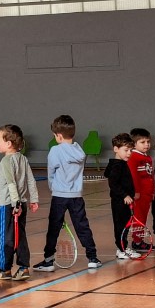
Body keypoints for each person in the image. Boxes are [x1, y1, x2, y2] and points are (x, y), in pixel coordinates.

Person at [34, 115, 101, 271]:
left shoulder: (55, 151)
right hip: (76, 196)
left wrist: (53, 187)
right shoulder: (79, 151)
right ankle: (92, 257)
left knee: (53, 228)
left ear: (58, 135)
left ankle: (48, 260)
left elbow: (51, 173)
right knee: (82, 226)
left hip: (59, 196)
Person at [0, 125, 39, 281]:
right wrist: (34, 199)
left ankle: (4, 269)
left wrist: (15, 204)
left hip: (8, 206)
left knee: (5, 237)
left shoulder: (6, 162)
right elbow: (31, 180)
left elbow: (12, 184)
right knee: (19, 236)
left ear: (9, 143)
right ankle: (23, 267)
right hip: (21, 204)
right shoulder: (23, 159)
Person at [105, 133, 136, 259]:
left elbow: (107, 174)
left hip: (126, 201)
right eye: (126, 150)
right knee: (120, 226)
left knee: (126, 225)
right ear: (116, 149)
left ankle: (124, 247)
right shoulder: (117, 165)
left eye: (130, 150)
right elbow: (112, 182)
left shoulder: (119, 163)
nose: (129, 153)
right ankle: (121, 249)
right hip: (119, 202)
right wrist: (124, 195)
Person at [127, 127, 155, 253]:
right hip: (139, 195)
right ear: (134, 144)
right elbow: (133, 176)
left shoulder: (147, 157)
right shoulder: (133, 157)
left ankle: (140, 240)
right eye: (142, 142)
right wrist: (136, 191)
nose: (147, 145)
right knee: (138, 218)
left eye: (148, 142)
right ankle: (137, 241)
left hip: (147, 194)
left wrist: (152, 191)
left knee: (143, 218)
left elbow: (150, 176)